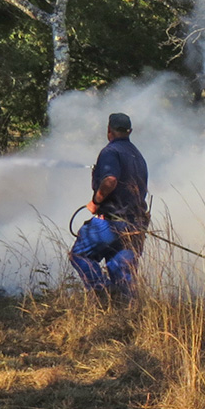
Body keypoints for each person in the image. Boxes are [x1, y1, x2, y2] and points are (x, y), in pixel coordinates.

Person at [69, 112, 149, 299]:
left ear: (109, 130)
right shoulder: (137, 155)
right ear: (130, 131)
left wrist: (95, 202)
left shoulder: (110, 152)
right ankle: (126, 316)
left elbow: (110, 180)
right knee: (123, 273)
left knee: (79, 255)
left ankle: (102, 291)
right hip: (135, 224)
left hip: (111, 221)